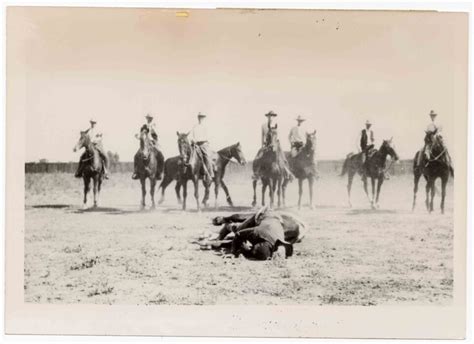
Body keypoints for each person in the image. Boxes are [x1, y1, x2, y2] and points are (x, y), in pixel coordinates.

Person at [132, 114, 160, 180]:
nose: (149, 119)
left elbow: (156, 136)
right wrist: (137, 137)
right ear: (146, 118)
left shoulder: (153, 126)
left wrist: (154, 141)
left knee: (160, 155)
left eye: (150, 118)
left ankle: (159, 172)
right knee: (136, 156)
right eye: (148, 118)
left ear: (151, 119)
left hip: (151, 144)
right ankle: (135, 171)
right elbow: (141, 136)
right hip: (143, 145)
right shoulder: (143, 126)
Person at [190, 112, 215, 181]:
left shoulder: (206, 127)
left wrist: (198, 140)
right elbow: (193, 136)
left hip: (203, 144)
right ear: (198, 118)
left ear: (204, 118)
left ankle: (209, 173)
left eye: (202, 117)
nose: (200, 118)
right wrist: (192, 140)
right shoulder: (195, 126)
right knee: (189, 155)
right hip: (196, 145)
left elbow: (207, 137)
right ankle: (188, 173)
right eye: (199, 117)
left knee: (207, 156)